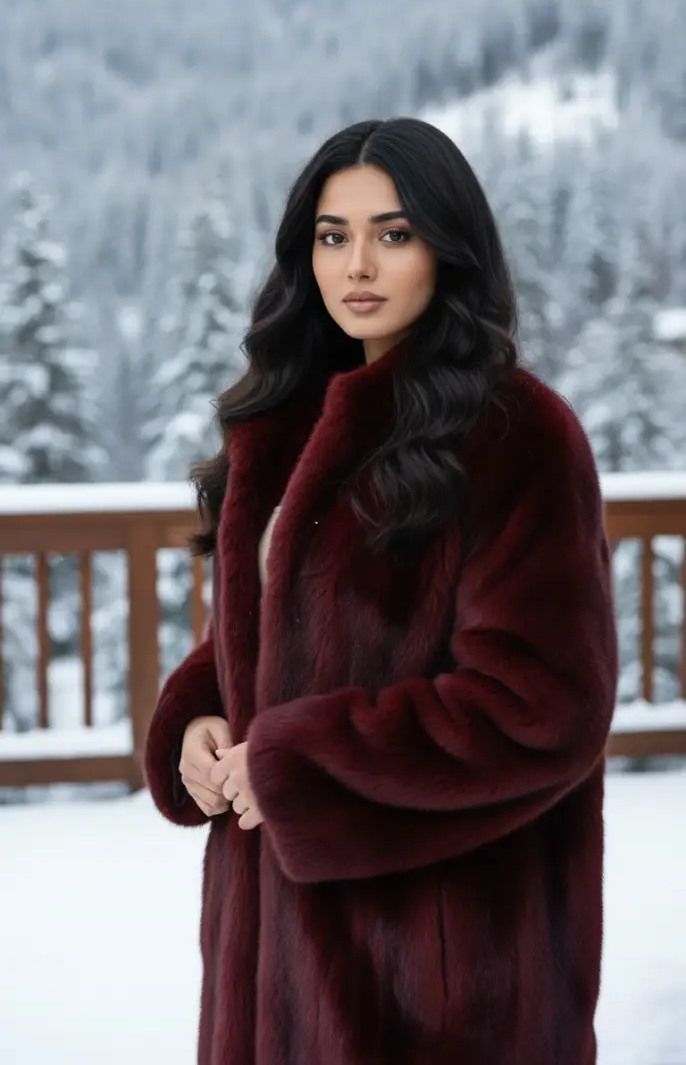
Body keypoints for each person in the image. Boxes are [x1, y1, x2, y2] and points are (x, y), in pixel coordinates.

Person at [144, 117, 619, 1065]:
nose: (358, 262)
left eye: (393, 234)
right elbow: (269, 632)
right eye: (333, 235)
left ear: (449, 247)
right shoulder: (280, 426)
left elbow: (541, 706)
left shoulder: (518, 435)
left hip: (445, 982)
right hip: (269, 967)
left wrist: (298, 761)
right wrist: (201, 712)